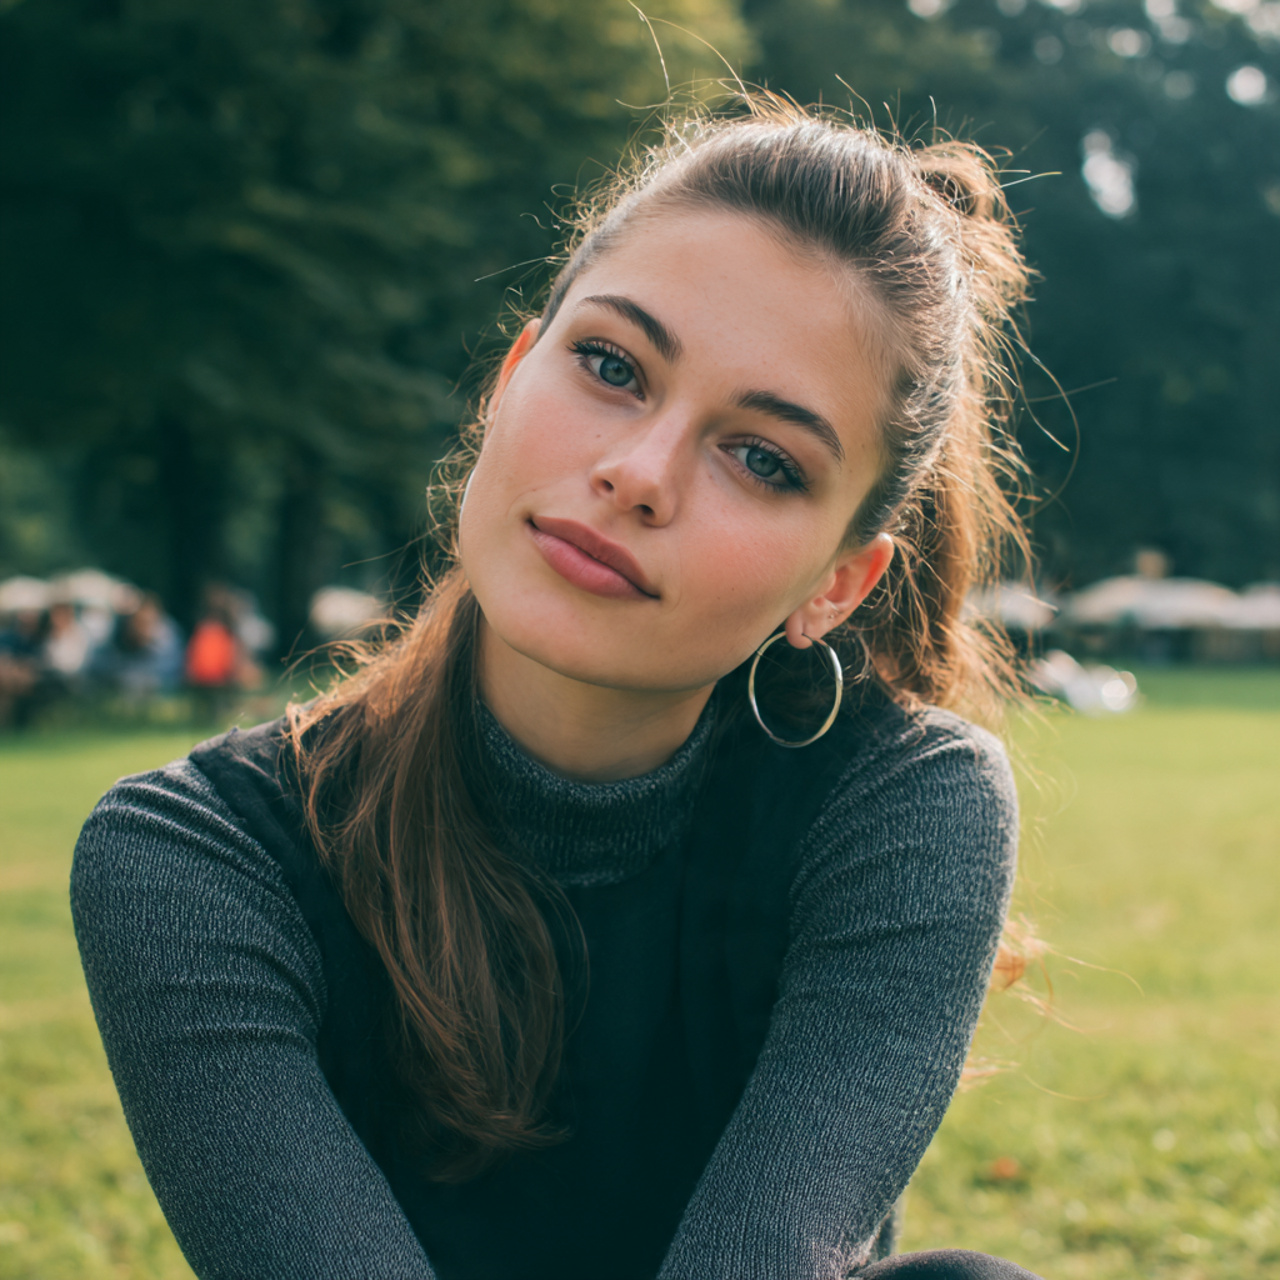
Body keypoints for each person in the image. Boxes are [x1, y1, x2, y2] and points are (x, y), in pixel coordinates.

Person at [71, 98, 1045, 1279]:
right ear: (510, 378)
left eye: (762, 457)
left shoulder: (899, 803)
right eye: (610, 365)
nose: (635, 474)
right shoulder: (193, 854)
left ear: (835, 585)